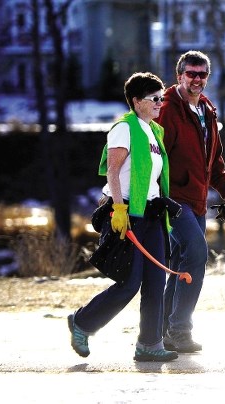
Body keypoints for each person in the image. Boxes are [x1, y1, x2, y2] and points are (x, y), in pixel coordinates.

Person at [68, 72, 178, 362]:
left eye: (162, 98)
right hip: (127, 212)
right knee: (130, 282)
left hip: (152, 214)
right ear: (136, 101)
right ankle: (82, 323)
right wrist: (118, 208)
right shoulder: (124, 128)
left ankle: (149, 344)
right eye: (154, 99)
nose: (159, 103)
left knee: (156, 281)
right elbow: (113, 171)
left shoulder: (154, 132)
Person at [157, 50, 225, 353]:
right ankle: (180, 330)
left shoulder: (206, 109)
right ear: (179, 75)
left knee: (182, 265)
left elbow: (213, 158)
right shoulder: (167, 109)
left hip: (197, 200)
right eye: (191, 73)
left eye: (202, 74)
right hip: (173, 200)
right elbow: (157, 157)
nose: (197, 79)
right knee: (196, 255)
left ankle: (162, 331)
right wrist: (157, 196)